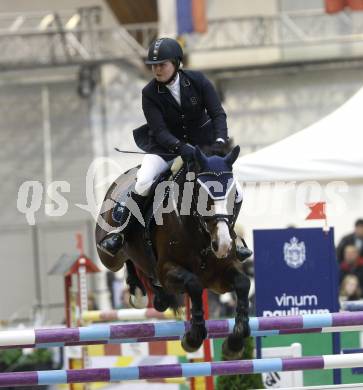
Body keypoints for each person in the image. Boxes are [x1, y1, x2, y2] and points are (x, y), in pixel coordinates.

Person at [97, 37, 251, 261]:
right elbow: (159, 131)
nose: (157, 70)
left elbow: (218, 114)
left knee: (237, 192)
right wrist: (181, 147)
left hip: (203, 148)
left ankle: (232, 237)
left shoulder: (198, 81)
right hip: (165, 149)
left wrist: (219, 141)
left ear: (176, 63)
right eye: (153, 65)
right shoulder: (149, 93)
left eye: (162, 64)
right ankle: (121, 234)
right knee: (143, 181)